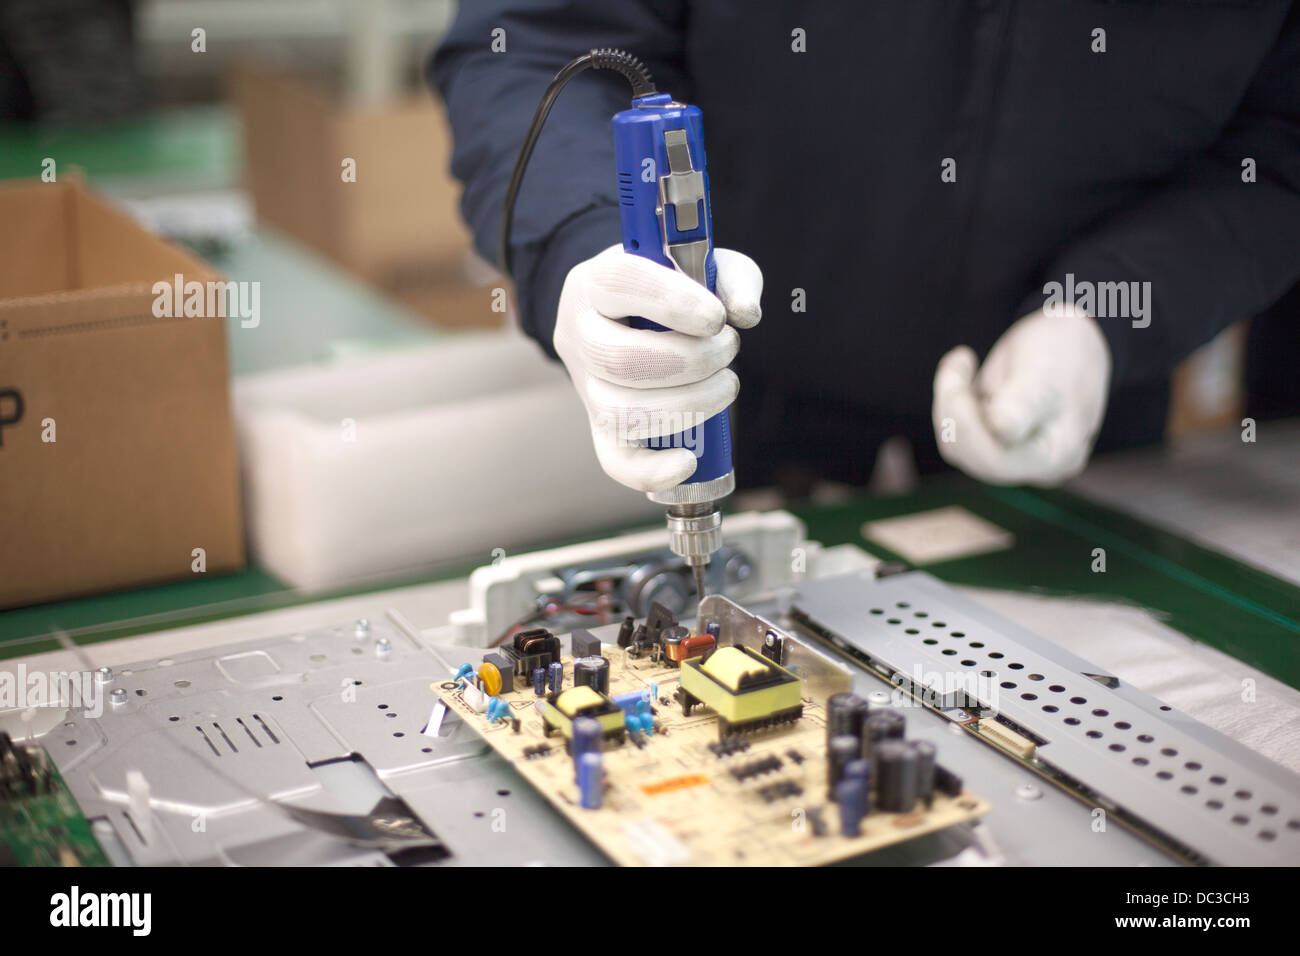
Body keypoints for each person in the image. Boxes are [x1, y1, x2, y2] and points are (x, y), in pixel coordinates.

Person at [432, 2, 1300, 496]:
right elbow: (533, 43)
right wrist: (585, 247)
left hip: (1069, 436)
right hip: (743, 387)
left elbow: (1280, 146)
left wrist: (1104, 312)